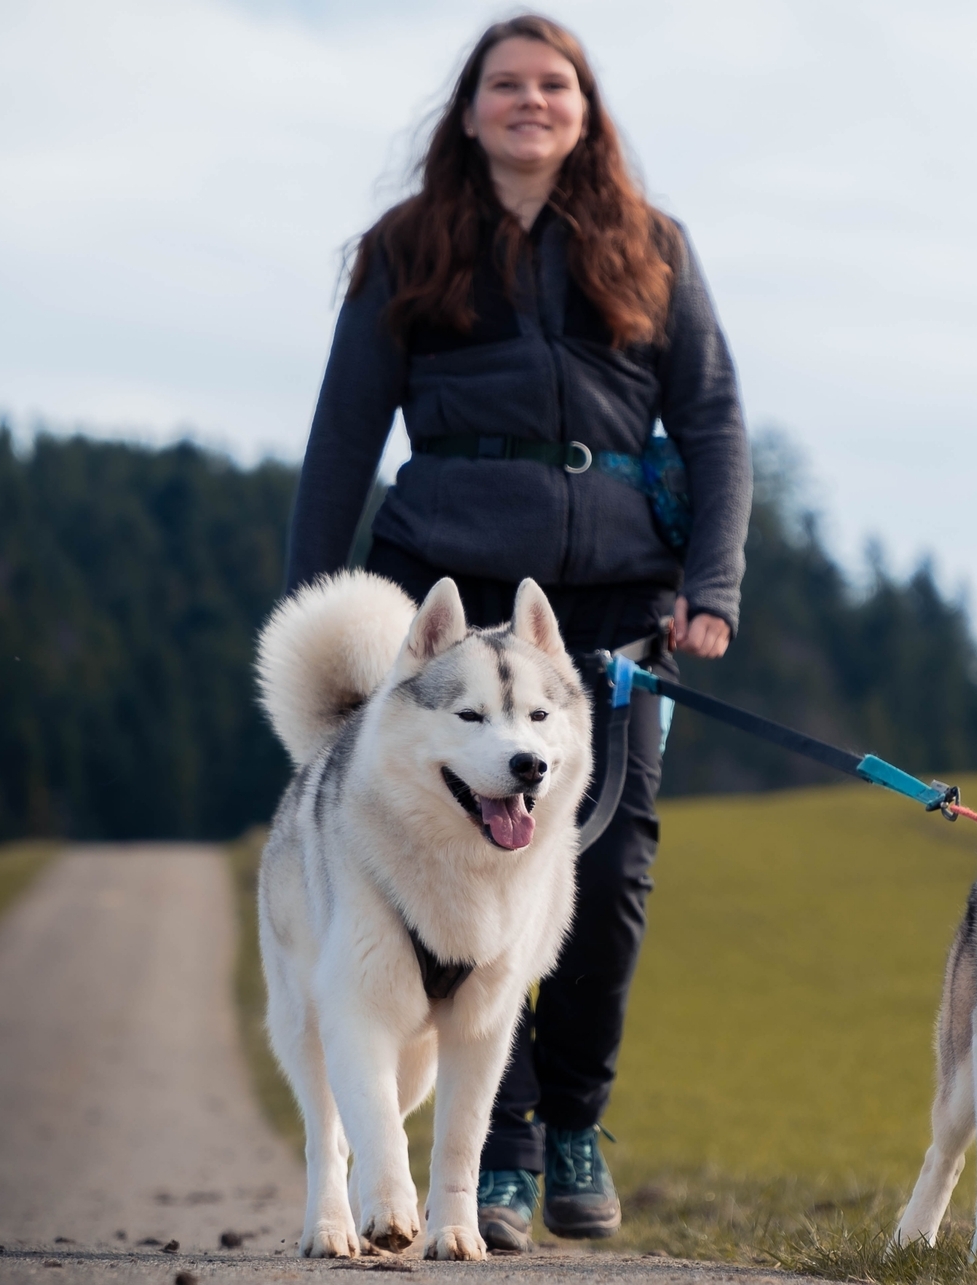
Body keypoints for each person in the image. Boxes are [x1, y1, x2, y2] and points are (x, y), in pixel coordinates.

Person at [283, 13, 751, 1252]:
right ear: (469, 108)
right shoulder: (406, 246)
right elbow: (344, 432)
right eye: (505, 84)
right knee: (440, 874)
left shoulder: (654, 246)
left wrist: (710, 582)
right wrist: (311, 600)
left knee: (607, 875)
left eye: (553, 85)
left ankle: (576, 1116)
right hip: (440, 590)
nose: (529, 101)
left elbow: (712, 420)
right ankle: (502, 1148)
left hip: (606, 609)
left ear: (585, 111)